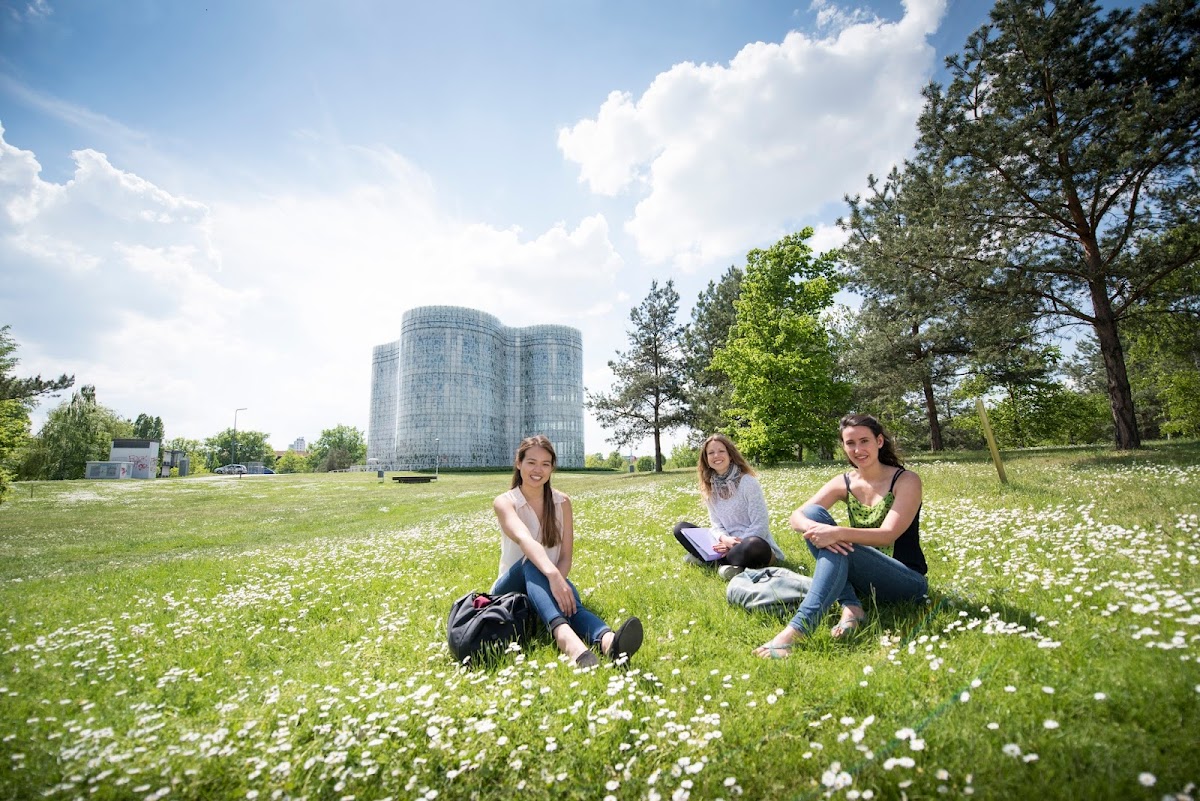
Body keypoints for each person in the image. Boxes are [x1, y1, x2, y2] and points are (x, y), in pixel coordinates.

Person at [753, 414, 928, 658]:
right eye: (850, 443)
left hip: (905, 581)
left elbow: (888, 536)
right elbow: (797, 517)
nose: (858, 449)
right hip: (863, 579)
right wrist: (815, 528)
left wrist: (836, 532)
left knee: (832, 538)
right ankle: (852, 606)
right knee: (814, 515)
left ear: (879, 441)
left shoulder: (905, 480)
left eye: (864, 441)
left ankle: (798, 630)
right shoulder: (845, 481)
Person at [492, 434, 644, 668]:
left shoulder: (562, 502)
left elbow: (565, 555)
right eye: (531, 462)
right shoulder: (505, 502)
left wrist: (558, 583)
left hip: (550, 581)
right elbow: (526, 541)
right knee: (532, 562)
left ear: (552, 467)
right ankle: (566, 640)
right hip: (511, 593)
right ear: (518, 463)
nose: (537, 470)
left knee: (570, 602)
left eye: (545, 464)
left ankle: (609, 643)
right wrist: (553, 577)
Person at [673, 434, 785, 580]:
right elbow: (716, 525)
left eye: (721, 451)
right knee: (681, 528)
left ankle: (711, 561)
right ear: (706, 460)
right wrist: (724, 539)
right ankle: (729, 565)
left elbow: (760, 525)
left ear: (730, 455)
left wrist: (734, 544)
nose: (716, 455)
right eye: (711, 453)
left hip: (750, 544)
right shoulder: (709, 487)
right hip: (723, 543)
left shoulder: (748, 483)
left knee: (754, 544)